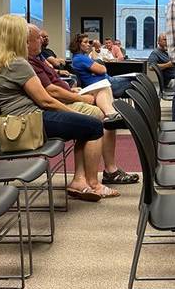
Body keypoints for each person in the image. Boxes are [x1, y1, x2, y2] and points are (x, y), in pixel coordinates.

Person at [0, 15, 117, 201]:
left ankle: (79, 181)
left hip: (12, 125)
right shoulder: (19, 64)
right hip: (32, 122)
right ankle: (94, 184)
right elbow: (46, 101)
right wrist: (74, 113)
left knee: (84, 126)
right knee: (93, 126)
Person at [27, 25, 138, 184]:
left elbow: (57, 77)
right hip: (57, 104)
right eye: (38, 38)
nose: (43, 40)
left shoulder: (39, 58)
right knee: (105, 107)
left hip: (72, 92)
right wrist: (76, 98)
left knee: (107, 89)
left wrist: (72, 90)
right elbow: (51, 92)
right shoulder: (33, 61)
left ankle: (111, 117)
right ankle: (98, 176)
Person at [69, 34, 134, 99]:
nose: (88, 44)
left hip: (105, 81)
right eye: (85, 42)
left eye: (88, 42)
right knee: (136, 81)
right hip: (103, 84)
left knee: (136, 78)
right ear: (78, 44)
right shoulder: (81, 58)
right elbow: (103, 70)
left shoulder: (77, 57)